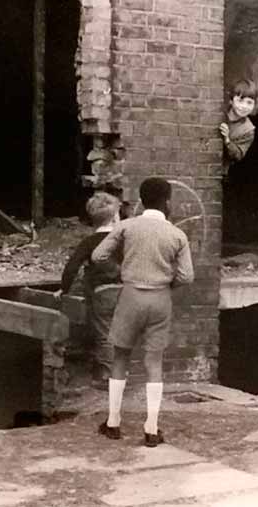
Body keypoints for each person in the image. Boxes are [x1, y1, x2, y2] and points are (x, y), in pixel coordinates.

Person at [92, 177, 194, 447]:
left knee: (121, 357)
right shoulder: (177, 235)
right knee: (154, 362)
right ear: (168, 202)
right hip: (160, 298)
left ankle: (113, 422)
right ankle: (151, 428)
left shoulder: (126, 226)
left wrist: (122, 272)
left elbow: (98, 256)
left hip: (130, 296)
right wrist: (166, 282)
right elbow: (187, 276)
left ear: (142, 200)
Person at [56, 192, 123, 388]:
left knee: (105, 334)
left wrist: (63, 288)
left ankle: (109, 377)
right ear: (115, 217)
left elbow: (72, 266)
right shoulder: (123, 239)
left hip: (103, 292)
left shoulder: (90, 242)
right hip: (127, 290)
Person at [219, 79, 258, 164]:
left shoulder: (248, 130)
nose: (244, 106)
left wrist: (227, 140)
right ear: (231, 100)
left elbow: (238, 155)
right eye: (240, 101)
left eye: (249, 103)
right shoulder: (219, 112)